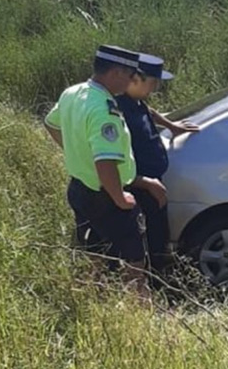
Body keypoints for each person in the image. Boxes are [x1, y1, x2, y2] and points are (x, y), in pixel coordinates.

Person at [44, 45, 152, 298]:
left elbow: (51, 123)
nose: (131, 82)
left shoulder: (74, 93)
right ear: (115, 72)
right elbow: (105, 162)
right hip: (104, 195)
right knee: (135, 257)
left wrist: (75, 150)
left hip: (80, 188)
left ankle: (88, 298)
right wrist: (120, 198)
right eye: (129, 76)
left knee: (94, 251)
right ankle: (139, 309)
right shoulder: (104, 109)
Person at [116, 53, 199, 275]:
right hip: (138, 185)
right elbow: (112, 162)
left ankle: (159, 270)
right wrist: (146, 183)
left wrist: (170, 125)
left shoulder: (135, 101)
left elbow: (147, 111)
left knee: (159, 231)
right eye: (152, 83)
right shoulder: (117, 110)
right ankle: (152, 278)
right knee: (145, 236)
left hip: (153, 181)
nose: (154, 89)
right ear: (135, 79)